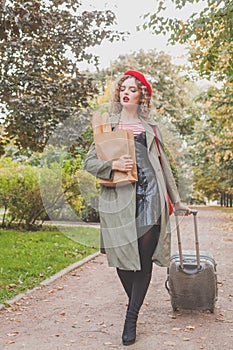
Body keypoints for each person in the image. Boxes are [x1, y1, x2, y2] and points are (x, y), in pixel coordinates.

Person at [84, 70, 191, 346]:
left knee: (143, 260)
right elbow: (90, 162)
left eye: (133, 88)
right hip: (119, 199)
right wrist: (112, 166)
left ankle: (130, 319)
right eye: (123, 88)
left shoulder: (151, 127)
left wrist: (177, 201)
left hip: (151, 196)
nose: (126, 92)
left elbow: (164, 166)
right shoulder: (109, 125)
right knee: (122, 260)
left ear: (142, 95)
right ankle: (134, 307)